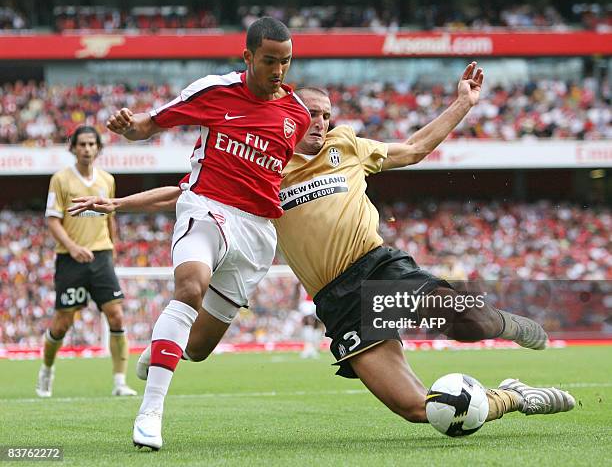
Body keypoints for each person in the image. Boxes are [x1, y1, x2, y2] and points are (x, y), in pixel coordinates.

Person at [72, 62, 574, 435]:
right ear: (289, 116)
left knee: (470, 323)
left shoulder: (348, 148)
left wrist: (463, 102)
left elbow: (415, 149)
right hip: (338, 303)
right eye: (310, 113)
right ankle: (514, 396)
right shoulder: (262, 167)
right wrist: (118, 204)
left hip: (380, 270)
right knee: (424, 410)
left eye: (327, 116)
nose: (319, 122)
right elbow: (185, 189)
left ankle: (508, 325)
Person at [103, 17, 310, 450]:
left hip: (256, 234)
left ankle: (159, 348)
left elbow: (277, 173)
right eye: (270, 60)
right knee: (190, 288)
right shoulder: (215, 91)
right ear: (248, 56)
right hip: (207, 207)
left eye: (286, 62)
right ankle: (150, 413)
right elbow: (150, 124)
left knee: (197, 348)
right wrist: (129, 126)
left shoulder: (298, 115)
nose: (278, 70)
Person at [37, 125, 137, 398]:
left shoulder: (107, 180)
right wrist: (73, 247)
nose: (87, 149)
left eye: (92, 144)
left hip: (102, 256)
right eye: (82, 144)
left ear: (98, 148)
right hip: (70, 258)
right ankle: (47, 369)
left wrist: (113, 250)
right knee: (62, 323)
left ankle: (119, 382)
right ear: (73, 148)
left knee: (116, 315)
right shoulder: (60, 180)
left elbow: (110, 217)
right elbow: (53, 220)